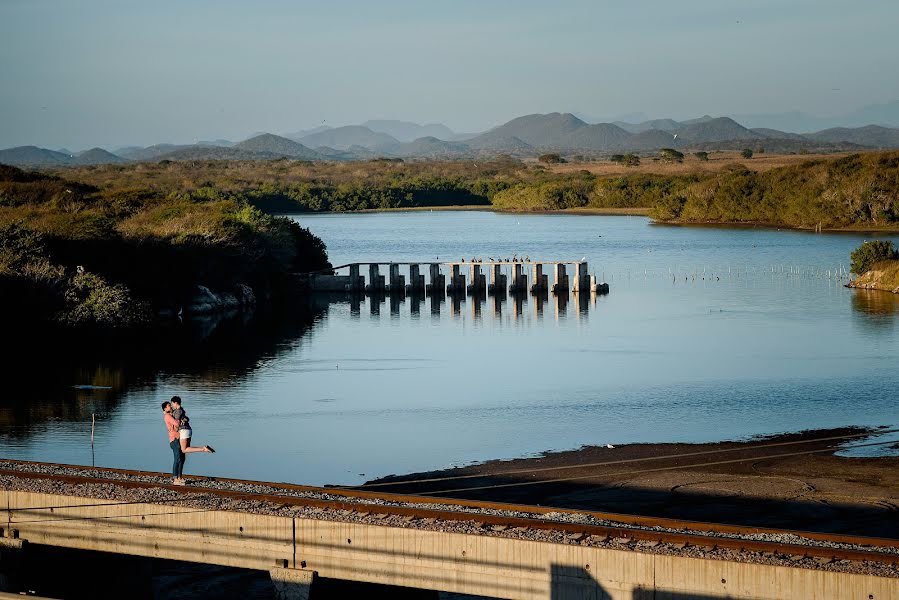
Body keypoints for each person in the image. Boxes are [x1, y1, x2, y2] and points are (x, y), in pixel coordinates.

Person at [169, 396, 215, 465]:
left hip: (184, 430)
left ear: (175, 403)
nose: (172, 405)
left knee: (184, 450)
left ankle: (203, 449)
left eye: (172, 403)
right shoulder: (181, 410)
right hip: (188, 430)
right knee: (187, 449)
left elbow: (176, 422)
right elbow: (184, 418)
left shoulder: (178, 411)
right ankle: (180, 469)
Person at [161, 401, 185, 485]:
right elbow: (176, 424)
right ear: (165, 408)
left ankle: (180, 477)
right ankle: (175, 478)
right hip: (174, 440)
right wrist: (179, 421)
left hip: (179, 438)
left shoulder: (171, 415)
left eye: (170, 405)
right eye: (168, 406)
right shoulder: (167, 416)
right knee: (177, 458)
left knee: (182, 458)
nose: (170, 406)